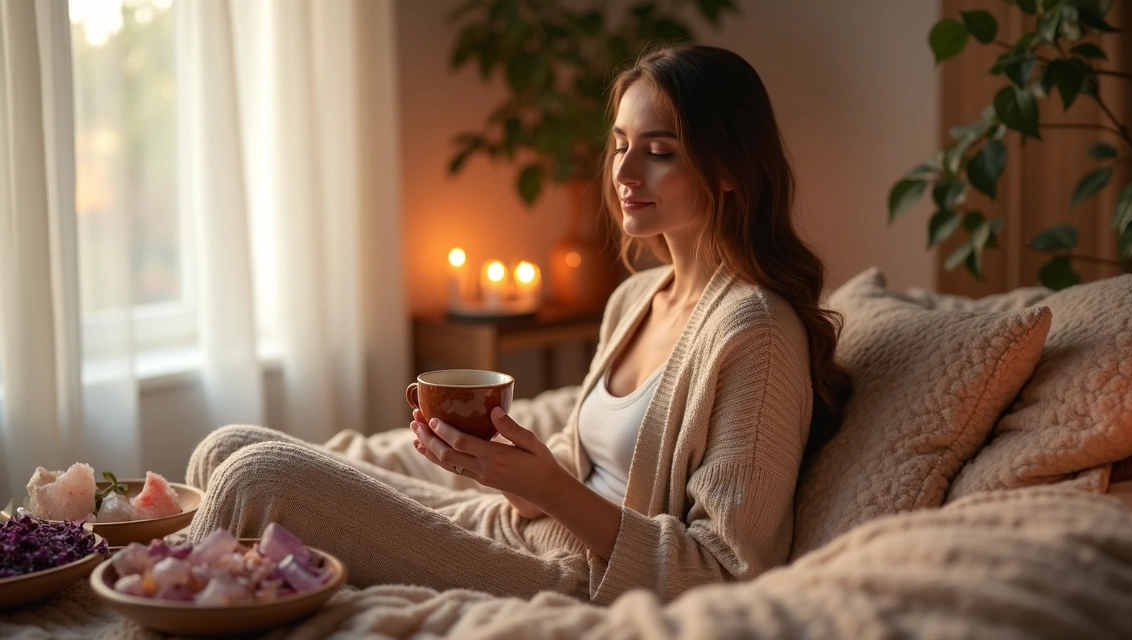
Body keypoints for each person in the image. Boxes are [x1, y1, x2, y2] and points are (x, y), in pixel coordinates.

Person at [185, 44, 850, 606]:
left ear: (731, 169)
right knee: (227, 448)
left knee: (258, 480)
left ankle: (148, 611)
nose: (622, 172)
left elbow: (730, 570)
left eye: (659, 151)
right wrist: (499, 467)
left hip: (575, 577)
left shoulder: (756, 333)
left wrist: (550, 490)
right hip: (518, 524)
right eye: (619, 145)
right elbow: (579, 464)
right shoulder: (637, 298)